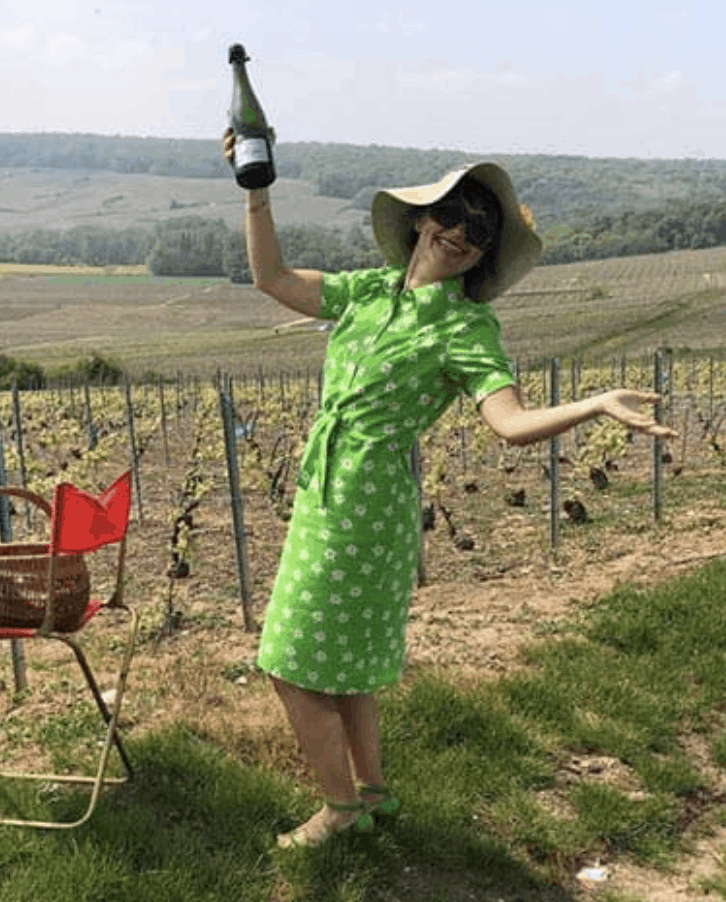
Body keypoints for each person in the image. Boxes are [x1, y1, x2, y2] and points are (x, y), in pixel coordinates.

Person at [221, 127, 676, 849]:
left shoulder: (468, 329)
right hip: (326, 494)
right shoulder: (368, 292)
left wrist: (590, 403)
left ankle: (338, 811)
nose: (463, 232)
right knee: (342, 669)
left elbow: (510, 420)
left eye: (481, 230)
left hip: (365, 510)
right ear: (423, 217)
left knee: (288, 665)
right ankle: (370, 795)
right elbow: (272, 278)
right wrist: (258, 192)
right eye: (456, 212)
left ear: (484, 254)